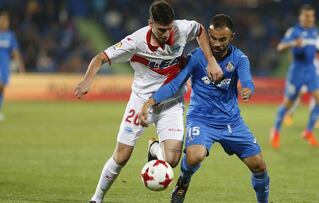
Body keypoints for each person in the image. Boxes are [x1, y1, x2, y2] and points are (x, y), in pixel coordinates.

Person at [74, 1, 223, 203]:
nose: (166, 34)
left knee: (172, 160)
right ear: (150, 23)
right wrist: (87, 80)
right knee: (122, 155)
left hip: (171, 101)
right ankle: (97, 198)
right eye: (161, 29)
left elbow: (200, 29)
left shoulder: (180, 28)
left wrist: (211, 60)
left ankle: (154, 149)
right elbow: (100, 57)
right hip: (141, 101)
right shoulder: (135, 42)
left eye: (168, 29)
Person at [140, 14, 270, 203]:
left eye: (222, 39)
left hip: (231, 122)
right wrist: (150, 102)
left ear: (231, 37)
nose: (217, 44)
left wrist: (248, 89)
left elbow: (247, 80)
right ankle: (183, 182)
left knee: (259, 166)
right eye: (213, 38)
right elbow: (175, 84)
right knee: (195, 156)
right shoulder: (196, 58)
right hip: (201, 119)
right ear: (208, 35)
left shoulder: (240, 58)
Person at [270, 4, 319, 149]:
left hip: (311, 73)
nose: (310, 18)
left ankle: (308, 131)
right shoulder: (294, 31)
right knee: (288, 105)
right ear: (301, 17)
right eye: (307, 16)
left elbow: (316, 50)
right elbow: (280, 47)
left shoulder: (315, 32)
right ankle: (276, 131)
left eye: (312, 16)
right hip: (296, 73)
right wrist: (293, 43)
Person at [283, 37, 319, 128]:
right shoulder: (300, 36)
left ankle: (313, 119)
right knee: (298, 94)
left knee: (316, 96)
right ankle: (289, 114)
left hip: (314, 72)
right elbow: (293, 51)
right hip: (301, 71)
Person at [0, 11, 25, 121]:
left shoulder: (10, 36)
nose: (4, 22)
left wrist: (20, 65)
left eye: (6, 20)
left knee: (2, 88)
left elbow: (15, 51)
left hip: (5, 65)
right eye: (2, 19)